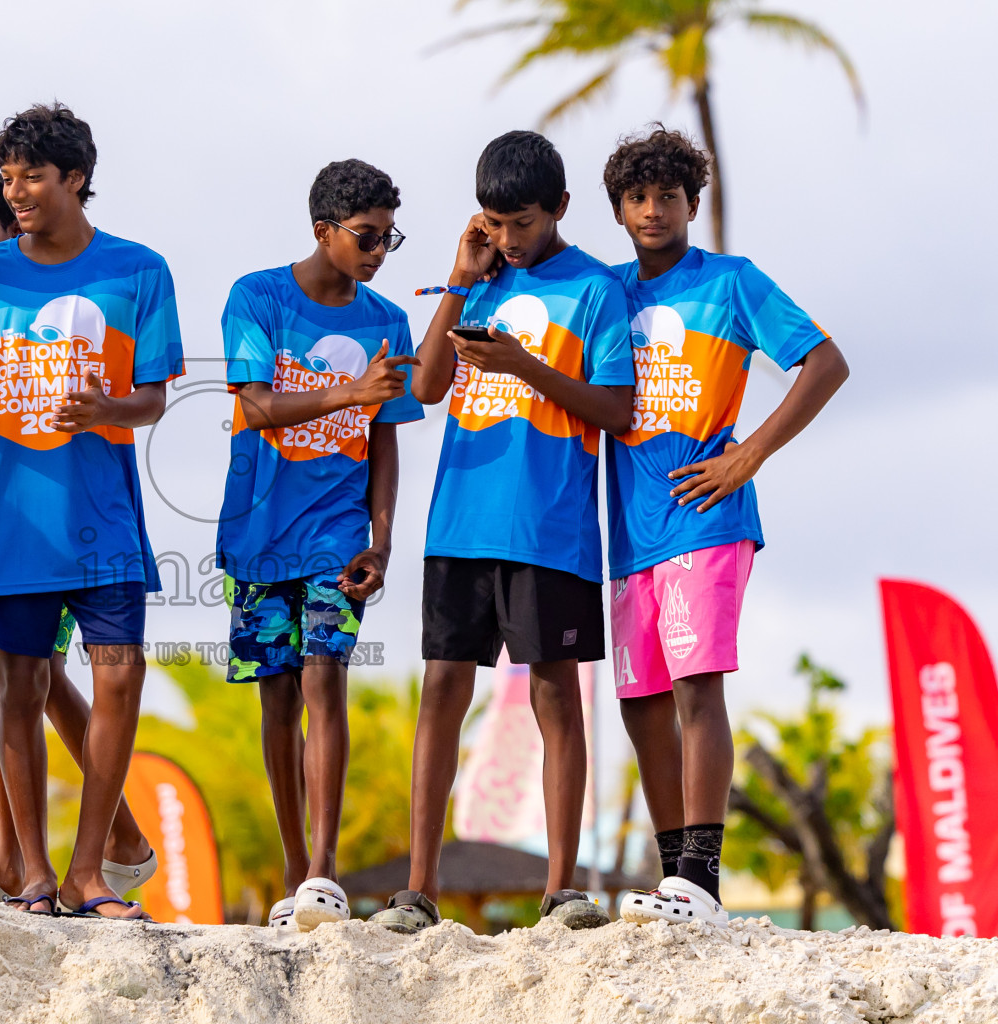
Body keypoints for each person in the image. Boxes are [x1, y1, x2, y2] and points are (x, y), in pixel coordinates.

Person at [373, 130, 635, 934]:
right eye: (494, 222)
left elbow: (618, 411)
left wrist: (524, 367)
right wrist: (458, 278)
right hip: (458, 521)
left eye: (522, 222)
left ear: (558, 208)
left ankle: (563, 890)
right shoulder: (478, 283)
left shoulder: (595, 290)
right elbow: (423, 387)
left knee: (555, 699)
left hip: (549, 527)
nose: (510, 238)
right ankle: (417, 889)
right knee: (442, 695)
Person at [601, 127, 849, 926]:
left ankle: (702, 878)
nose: (652, 210)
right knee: (641, 701)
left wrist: (751, 455)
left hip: (707, 518)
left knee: (694, 689)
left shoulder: (732, 282)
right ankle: (675, 876)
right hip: (626, 532)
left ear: (693, 204)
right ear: (617, 210)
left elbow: (825, 362)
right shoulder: (606, 291)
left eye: (667, 196)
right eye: (637, 197)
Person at [0, 103, 183, 921]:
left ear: (75, 178)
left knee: (119, 675)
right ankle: (35, 877)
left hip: (104, 514)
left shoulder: (139, 270)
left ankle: (91, 875)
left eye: (32, 177)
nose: (16, 193)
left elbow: (153, 398)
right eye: (8, 178)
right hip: (14, 517)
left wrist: (105, 406)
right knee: (17, 686)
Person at [215, 159, 422, 931]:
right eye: (367, 237)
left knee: (324, 678)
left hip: (340, 531)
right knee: (276, 697)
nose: (377, 253)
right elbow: (259, 405)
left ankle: (322, 875)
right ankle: (294, 869)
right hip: (259, 530)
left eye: (389, 238)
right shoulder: (256, 297)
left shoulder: (389, 321)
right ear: (323, 230)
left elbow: (387, 439)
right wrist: (349, 393)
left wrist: (385, 540)